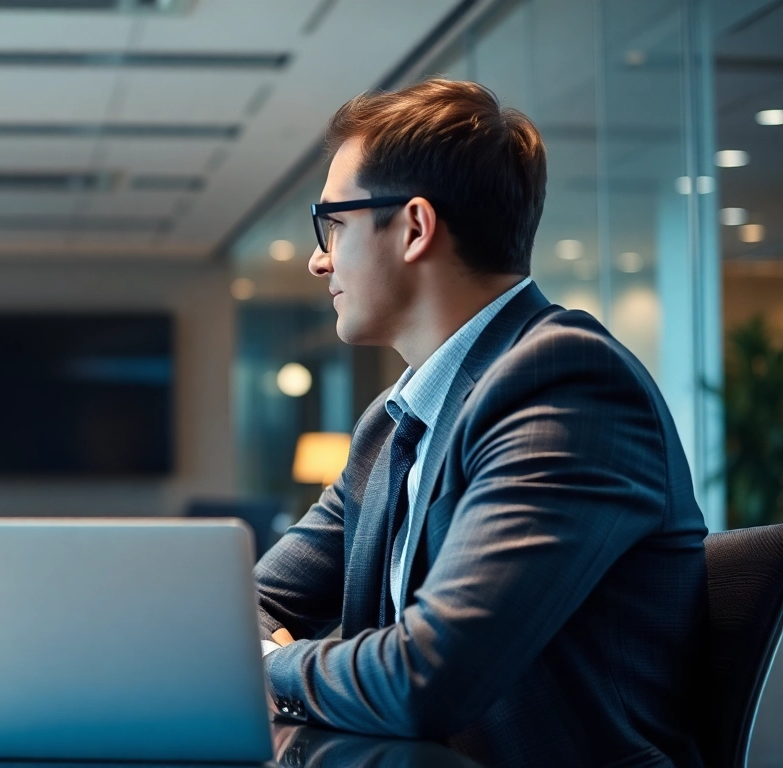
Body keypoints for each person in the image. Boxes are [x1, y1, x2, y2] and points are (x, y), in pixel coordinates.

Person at [254, 79, 707, 766]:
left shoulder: (568, 385)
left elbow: (424, 680)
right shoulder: (392, 424)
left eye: (334, 224)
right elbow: (247, 602)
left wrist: (271, 666)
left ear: (413, 227)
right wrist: (272, 650)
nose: (320, 258)